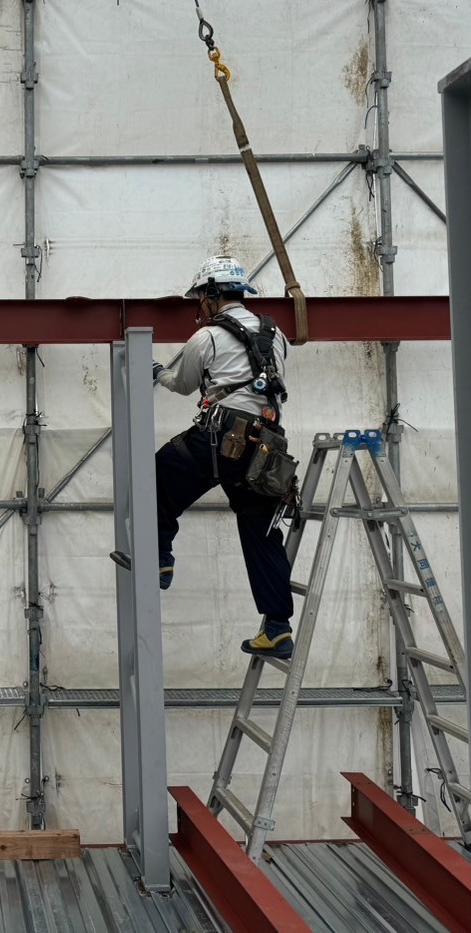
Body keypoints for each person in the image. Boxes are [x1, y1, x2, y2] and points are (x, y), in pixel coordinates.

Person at [151, 255, 296, 659]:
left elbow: (183, 385)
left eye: (200, 298)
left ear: (212, 295)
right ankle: (278, 628)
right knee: (262, 531)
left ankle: (160, 556)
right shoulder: (276, 333)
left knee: (157, 474)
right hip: (266, 446)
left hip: (222, 438)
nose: (199, 306)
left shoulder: (208, 337)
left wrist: (158, 373)